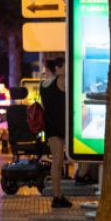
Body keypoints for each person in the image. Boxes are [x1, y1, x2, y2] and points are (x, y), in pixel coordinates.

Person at [41, 55, 71, 208]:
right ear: (58, 69)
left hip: (50, 126)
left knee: (56, 162)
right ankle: (58, 196)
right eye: (65, 66)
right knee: (61, 160)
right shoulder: (63, 81)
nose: (68, 68)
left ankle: (57, 195)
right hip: (64, 125)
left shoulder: (43, 85)